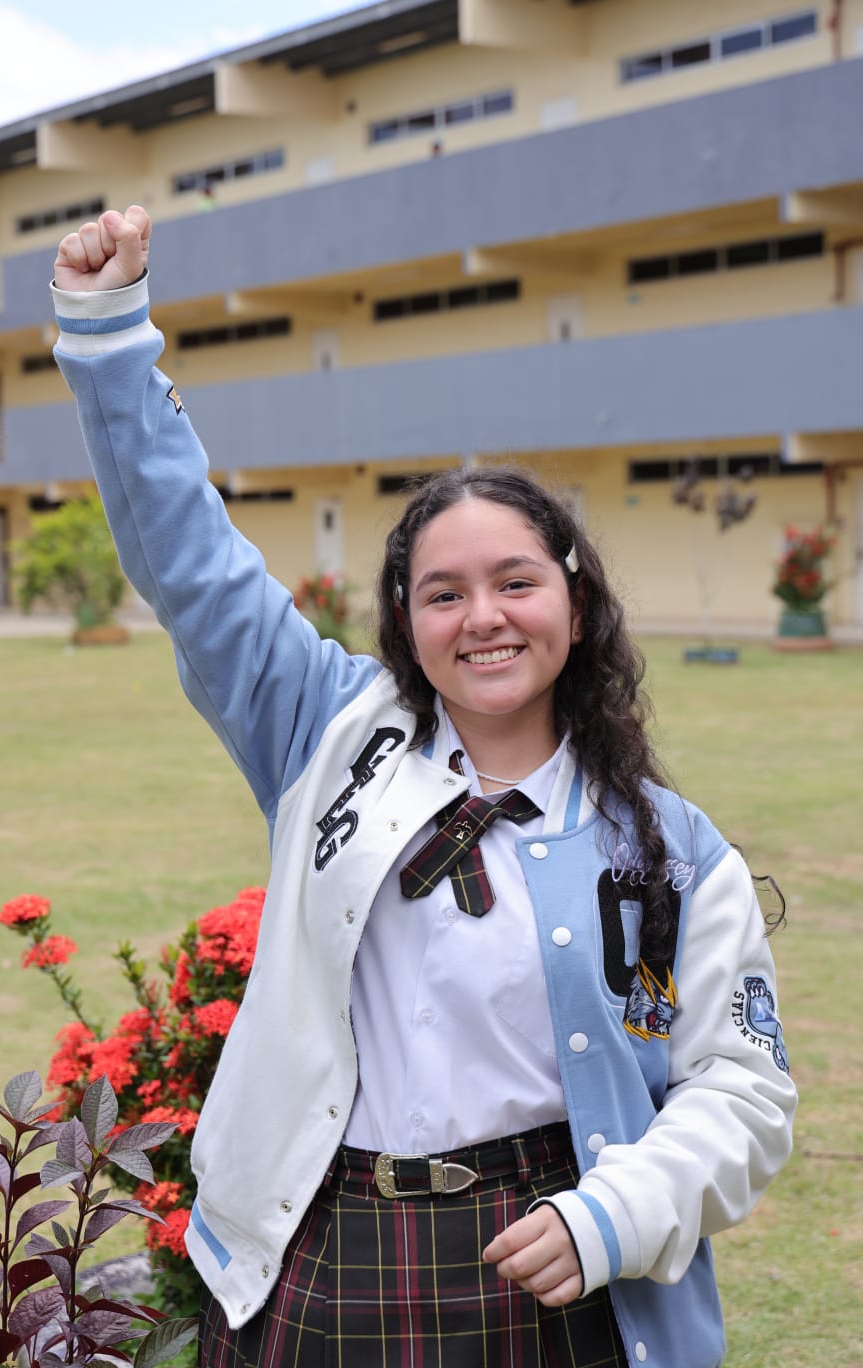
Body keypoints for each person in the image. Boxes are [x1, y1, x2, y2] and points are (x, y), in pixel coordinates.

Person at [51, 206, 797, 1368]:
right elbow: (185, 557)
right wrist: (107, 333)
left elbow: (742, 1092)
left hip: (549, 1266)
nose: (483, 617)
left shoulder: (672, 852)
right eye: (442, 592)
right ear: (405, 621)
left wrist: (611, 1216)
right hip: (322, 1249)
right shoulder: (322, 726)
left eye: (516, 581)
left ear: (577, 603)